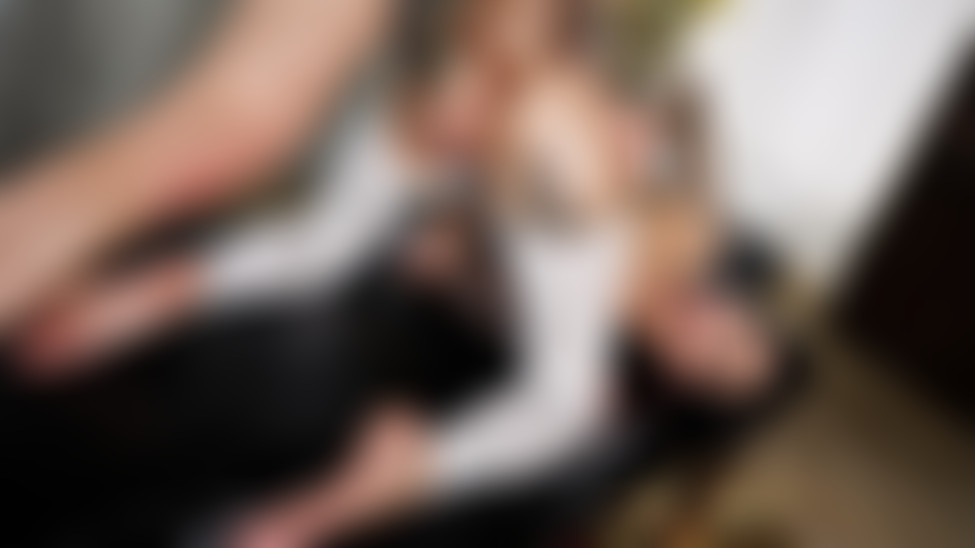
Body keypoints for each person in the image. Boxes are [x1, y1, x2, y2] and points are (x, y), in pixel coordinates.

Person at [7, 1, 778, 546]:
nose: (711, 323)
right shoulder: (692, 232)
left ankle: (301, 501)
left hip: (485, 145)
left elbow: (481, 275)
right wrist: (651, 126)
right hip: (499, 116)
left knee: (319, 245)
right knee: (317, 239)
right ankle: (311, 506)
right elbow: (692, 109)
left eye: (715, 359)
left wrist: (448, 256)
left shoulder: (596, 338)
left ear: (677, 380)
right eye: (735, 321)